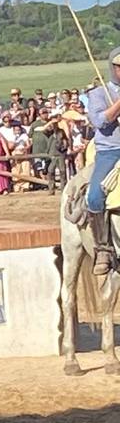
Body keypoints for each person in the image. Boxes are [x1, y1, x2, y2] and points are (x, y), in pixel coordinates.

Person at [84, 49, 120, 273]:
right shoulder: (99, 94)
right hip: (111, 151)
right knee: (95, 196)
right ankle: (103, 248)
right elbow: (98, 121)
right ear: (112, 68)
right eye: (119, 67)